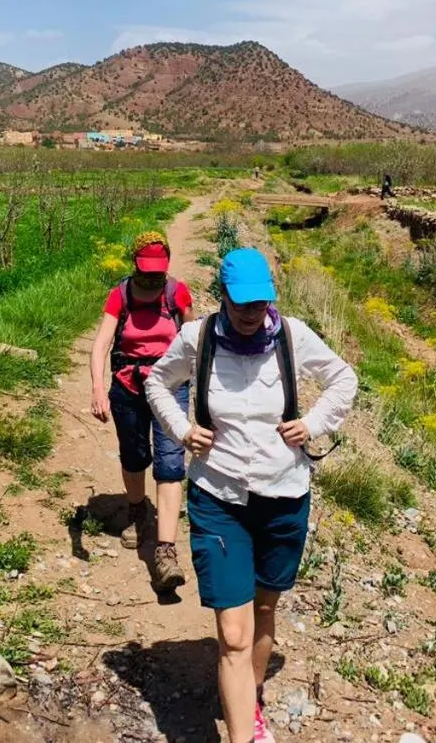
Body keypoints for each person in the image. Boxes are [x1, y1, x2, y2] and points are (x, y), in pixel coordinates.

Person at [146, 248, 357, 743]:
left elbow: (342, 378)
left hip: (283, 494)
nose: (250, 313)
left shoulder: (290, 335)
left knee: (265, 608)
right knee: (234, 635)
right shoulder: (197, 338)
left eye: (260, 303)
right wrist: (181, 428)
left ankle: (251, 696)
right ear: (222, 297)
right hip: (217, 497)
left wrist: (314, 424)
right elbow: (158, 382)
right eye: (241, 304)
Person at [90, 230, 194, 592]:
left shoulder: (175, 292)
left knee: (169, 463)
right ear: (134, 264)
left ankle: (165, 552)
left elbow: (191, 340)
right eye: (146, 269)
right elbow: (102, 344)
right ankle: (137, 512)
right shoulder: (120, 295)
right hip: (128, 386)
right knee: (134, 457)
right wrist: (98, 389)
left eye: (158, 269)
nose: (152, 276)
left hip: (169, 387)